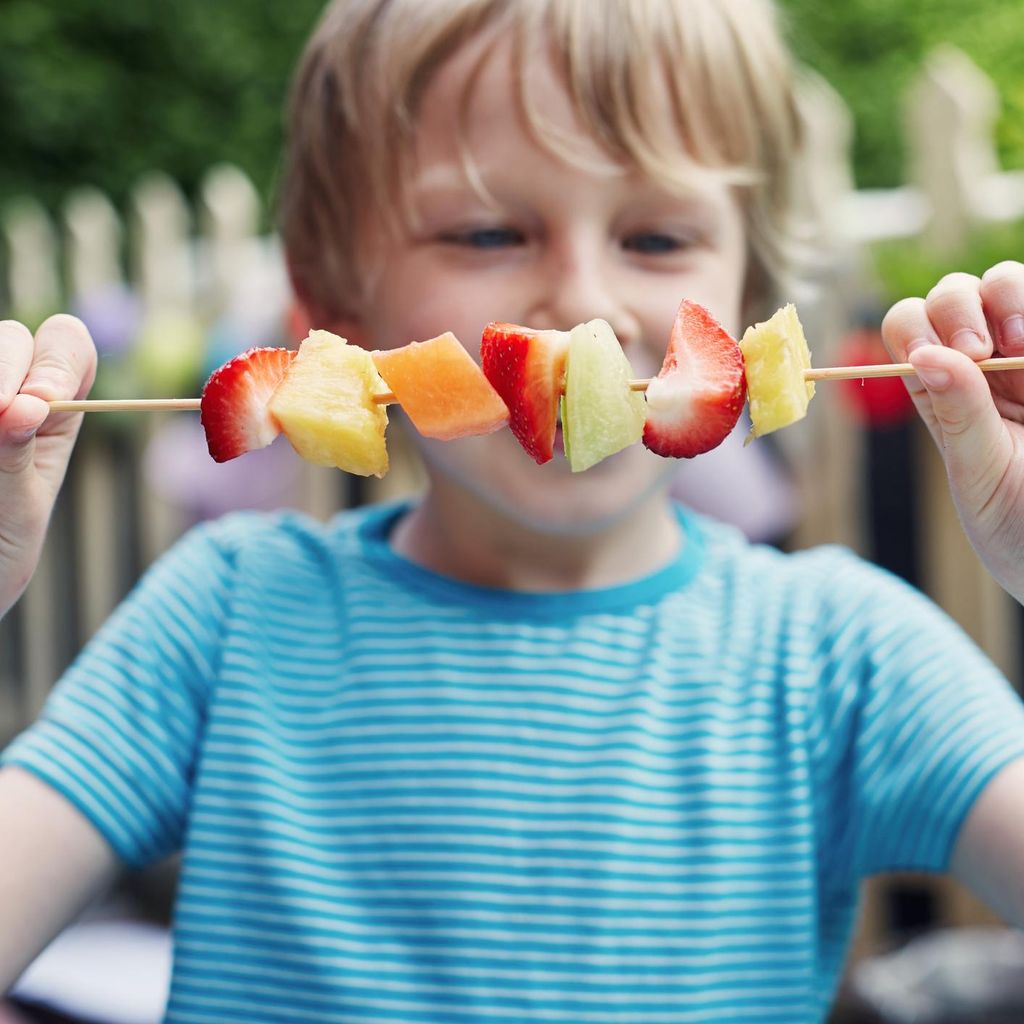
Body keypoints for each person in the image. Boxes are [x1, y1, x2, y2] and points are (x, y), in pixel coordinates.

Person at [1, 1, 1023, 1020]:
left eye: (658, 235)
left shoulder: (842, 658)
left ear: (748, 293)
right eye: (488, 231)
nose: (582, 308)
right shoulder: (220, 623)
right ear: (334, 310)